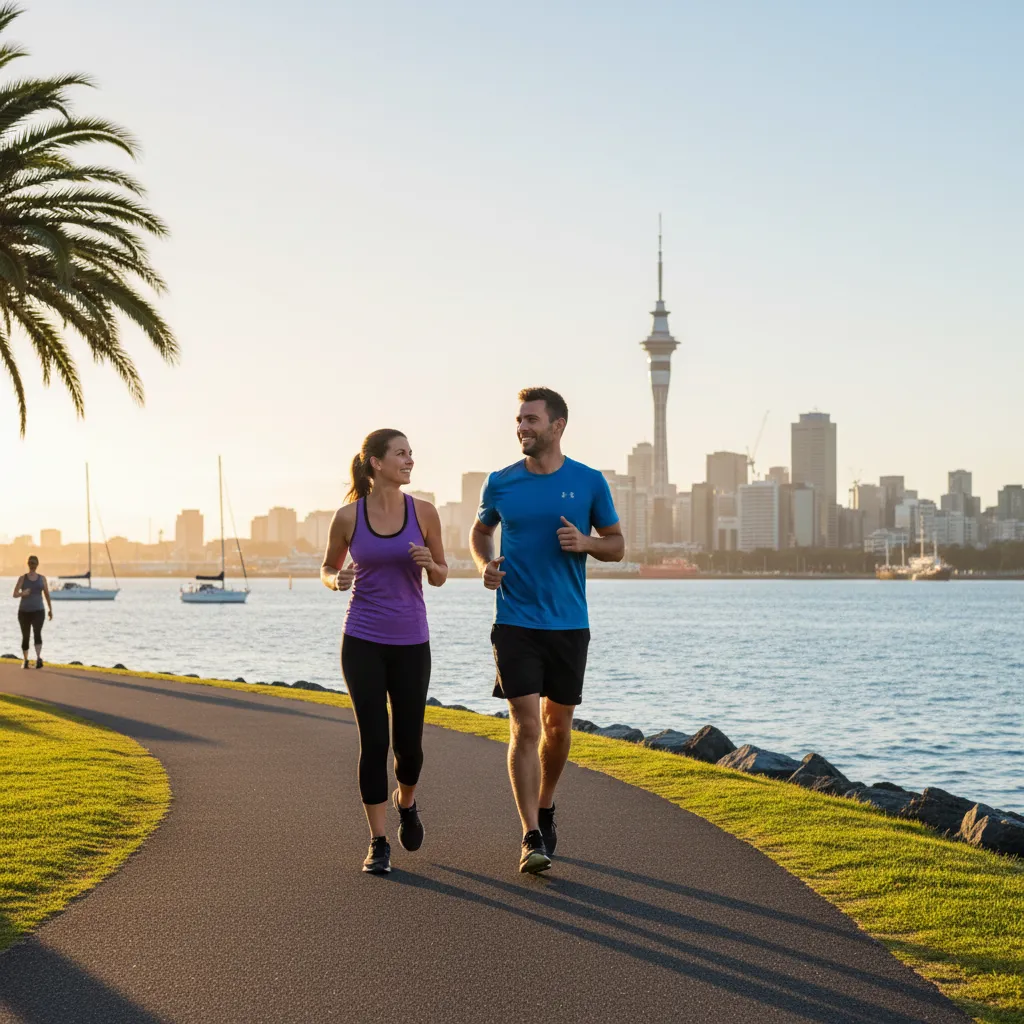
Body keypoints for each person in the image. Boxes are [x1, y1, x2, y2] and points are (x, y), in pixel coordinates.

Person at [470, 387, 624, 873]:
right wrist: (483, 564)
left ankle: (547, 803)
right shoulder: (500, 482)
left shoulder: (589, 482)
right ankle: (530, 834)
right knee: (525, 723)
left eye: (532, 420)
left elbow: (617, 546)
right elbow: (480, 531)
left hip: (569, 624)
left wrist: (585, 543)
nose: (522, 428)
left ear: (557, 426)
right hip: (514, 621)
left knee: (557, 730)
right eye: (519, 420)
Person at [321, 429, 448, 874]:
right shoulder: (348, 517)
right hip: (361, 640)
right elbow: (327, 566)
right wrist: (335, 580)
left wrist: (430, 564)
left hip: (412, 641)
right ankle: (378, 842)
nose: (410, 460)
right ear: (375, 463)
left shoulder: (426, 513)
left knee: (408, 747)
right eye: (401, 454)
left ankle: (406, 801)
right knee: (374, 742)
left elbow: (441, 575)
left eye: (411, 453)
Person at [13, 555, 52, 669]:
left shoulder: (42, 578)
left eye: (34, 563)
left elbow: (47, 594)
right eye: (31, 563)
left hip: (39, 611)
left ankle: (38, 659)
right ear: (28, 564)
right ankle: (25, 660)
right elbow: (14, 594)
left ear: (37, 564)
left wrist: (50, 609)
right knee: (25, 636)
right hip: (24, 612)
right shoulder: (22, 578)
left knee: (37, 633)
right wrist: (22, 593)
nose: (32, 565)